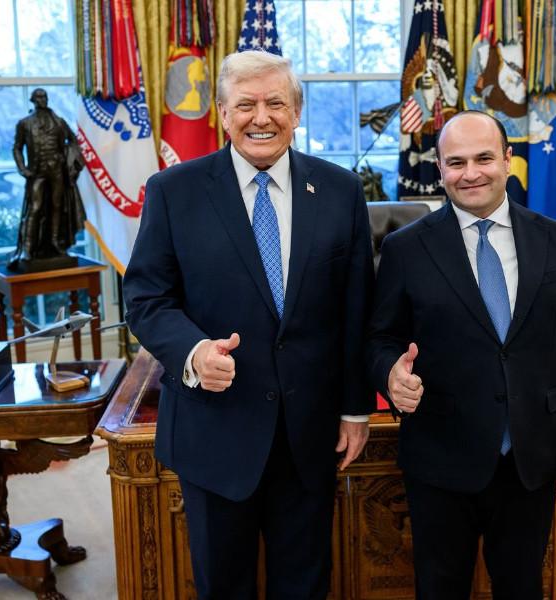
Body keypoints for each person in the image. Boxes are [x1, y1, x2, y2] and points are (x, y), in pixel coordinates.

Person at [123, 50, 375, 600]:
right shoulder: (173, 191)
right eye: (246, 105)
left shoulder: (340, 190)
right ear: (222, 113)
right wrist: (194, 353)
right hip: (215, 428)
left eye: (276, 103)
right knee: (224, 585)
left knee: (305, 584)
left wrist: (356, 409)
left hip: (310, 434)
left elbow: (356, 308)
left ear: (296, 112)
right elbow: (145, 298)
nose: (262, 117)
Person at [367, 111, 556, 599]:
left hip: (531, 458)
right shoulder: (405, 248)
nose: (470, 173)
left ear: (508, 160)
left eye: (484, 159)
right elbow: (378, 340)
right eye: (456, 162)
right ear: (439, 168)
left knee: (521, 587)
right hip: (440, 458)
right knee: (440, 589)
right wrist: (390, 373)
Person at [10, 88, 86, 270]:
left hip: (57, 171)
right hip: (37, 172)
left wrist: (69, 159)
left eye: (44, 97)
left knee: (57, 206)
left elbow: (73, 141)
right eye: (38, 97)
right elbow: (17, 148)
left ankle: (55, 243)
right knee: (35, 208)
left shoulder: (58, 122)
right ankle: (28, 248)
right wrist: (23, 169)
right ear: (33, 100)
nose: (42, 100)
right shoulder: (25, 123)